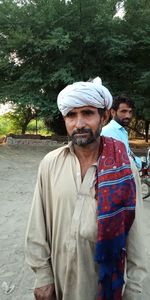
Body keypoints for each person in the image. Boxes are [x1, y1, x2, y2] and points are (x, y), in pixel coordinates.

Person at [25, 78, 147, 300]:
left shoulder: (124, 165)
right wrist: (43, 276)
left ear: (104, 116)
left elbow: (136, 233)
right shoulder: (51, 163)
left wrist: (135, 288)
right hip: (59, 280)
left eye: (88, 113)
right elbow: (37, 224)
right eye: (71, 115)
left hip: (101, 283)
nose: (79, 123)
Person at [101, 95, 142, 170]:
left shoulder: (122, 131)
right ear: (113, 112)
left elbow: (129, 156)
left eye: (130, 112)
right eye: (123, 111)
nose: (128, 116)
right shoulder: (108, 132)